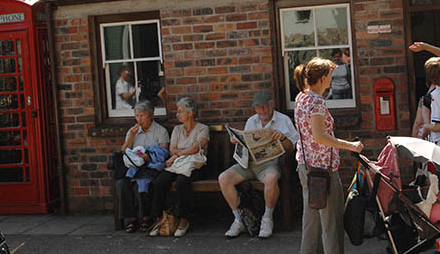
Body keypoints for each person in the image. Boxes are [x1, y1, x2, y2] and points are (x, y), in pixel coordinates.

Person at [293, 57, 363, 254]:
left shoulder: (301, 97)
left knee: (311, 221)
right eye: (330, 76)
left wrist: (325, 66)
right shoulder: (317, 103)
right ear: (323, 78)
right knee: (331, 224)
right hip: (323, 171)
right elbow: (320, 136)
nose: (332, 79)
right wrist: (351, 146)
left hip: (305, 166)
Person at [219, 90, 299, 239]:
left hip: (269, 164)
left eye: (264, 107)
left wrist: (282, 138)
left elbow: (293, 146)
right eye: (258, 108)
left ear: (271, 104)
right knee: (224, 178)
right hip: (249, 163)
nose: (262, 111)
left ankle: (267, 218)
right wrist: (238, 141)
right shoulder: (252, 121)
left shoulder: (283, 120)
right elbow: (247, 142)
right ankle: (239, 219)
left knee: (271, 178)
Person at [149, 97, 209, 237]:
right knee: (160, 181)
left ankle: (183, 219)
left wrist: (177, 155)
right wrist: (177, 155)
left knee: (182, 181)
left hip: (196, 166)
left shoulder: (203, 129)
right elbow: (171, 149)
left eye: (180, 111)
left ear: (190, 113)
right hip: (177, 165)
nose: (177, 114)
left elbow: (195, 148)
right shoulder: (177, 129)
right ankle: (160, 218)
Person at [117, 100, 170, 233]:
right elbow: (124, 151)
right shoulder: (132, 131)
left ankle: (146, 218)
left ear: (150, 115)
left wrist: (148, 157)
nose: (139, 118)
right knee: (121, 184)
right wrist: (131, 137)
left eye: (142, 115)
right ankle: (132, 219)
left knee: (141, 183)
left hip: (152, 167)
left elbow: (164, 154)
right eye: (136, 115)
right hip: (135, 167)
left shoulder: (160, 131)